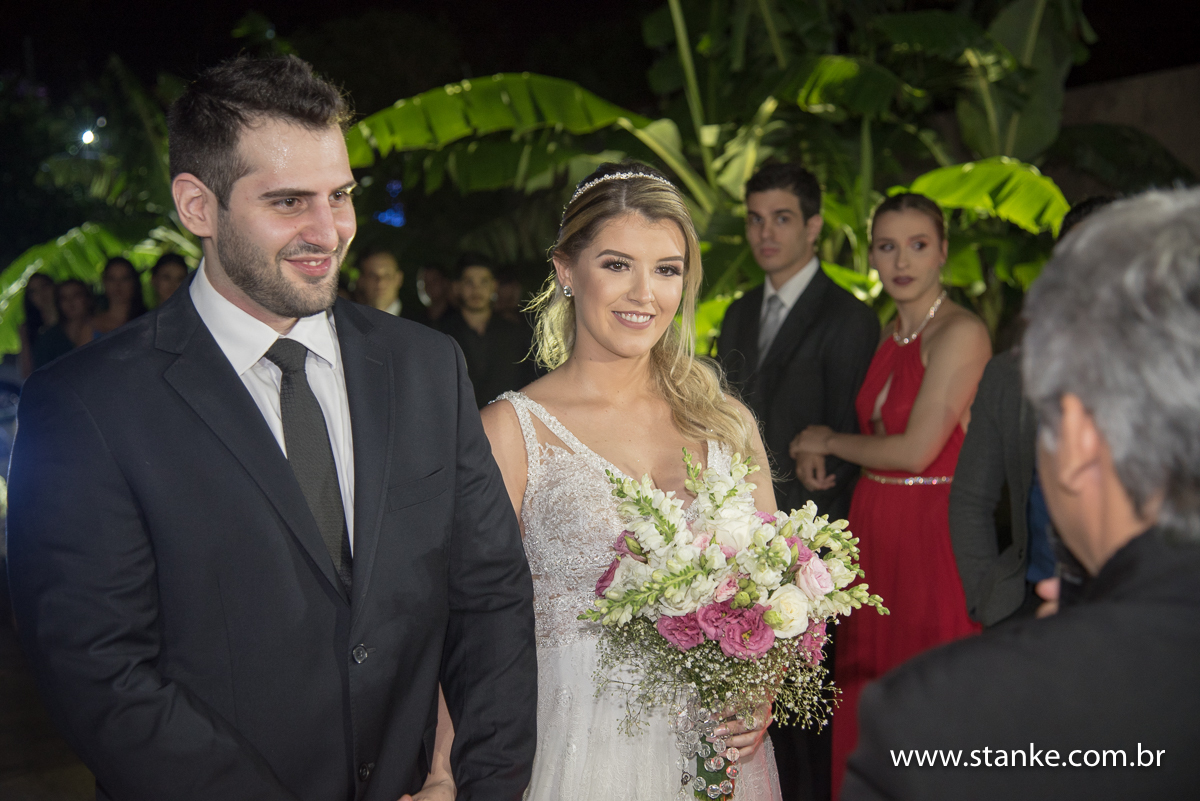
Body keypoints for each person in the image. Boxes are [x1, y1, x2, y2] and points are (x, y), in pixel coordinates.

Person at [7, 55, 536, 801]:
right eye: (289, 201)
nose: (331, 231)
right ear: (198, 207)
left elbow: (491, 599)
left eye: (341, 195)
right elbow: (100, 672)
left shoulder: (425, 366)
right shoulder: (86, 406)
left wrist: (478, 785)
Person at [843, 188, 1200, 799]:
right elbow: (977, 499)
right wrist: (996, 598)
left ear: (1080, 443)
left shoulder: (928, 722)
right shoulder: (990, 368)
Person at [480, 162, 782, 801]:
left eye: (667, 269)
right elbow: (468, 627)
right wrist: (443, 775)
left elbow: (774, 589)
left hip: (719, 755)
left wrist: (763, 692)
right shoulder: (511, 432)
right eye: (618, 264)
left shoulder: (728, 425)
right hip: (580, 751)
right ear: (567, 270)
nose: (645, 293)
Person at [790, 193, 991, 797]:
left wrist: (827, 437)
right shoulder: (890, 334)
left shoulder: (962, 332)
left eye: (918, 245)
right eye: (887, 246)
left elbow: (914, 451)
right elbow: (877, 443)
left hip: (932, 533)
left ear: (943, 254)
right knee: (869, 688)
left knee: (927, 691)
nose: (901, 260)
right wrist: (824, 454)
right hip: (874, 529)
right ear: (872, 255)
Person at [717, 161, 879, 801]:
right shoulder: (735, 312)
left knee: (803, 722)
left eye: (782, 218)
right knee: (743, 713)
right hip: (735, 542)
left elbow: (847, 439)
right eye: (756, 220)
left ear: (813, 226)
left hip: (809, 551)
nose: (766, 233)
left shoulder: (849, 317)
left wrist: (804, 559)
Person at [948, 196, 1115, 627]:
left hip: (1141, 617)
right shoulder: (1010, 375)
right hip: (1029, 610)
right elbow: (970, 498)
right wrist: (990, 600)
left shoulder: (1174, 374)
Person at [440, 253, 537, 408]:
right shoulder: (440, 335)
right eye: (469, 282)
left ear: (494, 286)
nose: (476, 289)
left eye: (484, 282)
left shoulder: (517, 334)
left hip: (508, 423)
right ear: (456, 287)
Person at [31, 279, 97, 369]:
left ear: (87, 298)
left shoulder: (103, 327)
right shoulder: (49, 338)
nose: (70, 302)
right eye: (64, 298)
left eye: (76, 295)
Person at [92, 256, 148, 333]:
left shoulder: (148, 321)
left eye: (124, 279)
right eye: (112, 279)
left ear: (134, 283)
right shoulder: (92, 325)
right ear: (104, 282)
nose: (118, 285)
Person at [19, 273, 58, 378]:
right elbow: (27, 372)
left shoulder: (73, 319)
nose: (41, 293)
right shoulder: (28, 329)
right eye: (34, 291)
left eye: (44, 286)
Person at [356, 248, 404, 315]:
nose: (380, 282)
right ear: (361, 280)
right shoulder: (347, 319)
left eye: (387, 276)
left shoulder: (419, 322)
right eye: (372, 276)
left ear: (399, 279)